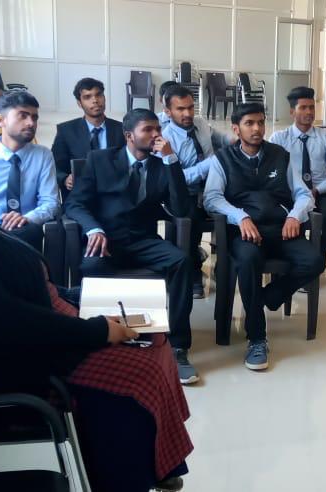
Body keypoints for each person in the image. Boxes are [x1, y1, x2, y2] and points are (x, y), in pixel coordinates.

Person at [0, 129, 192, 492]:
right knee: (139, 371)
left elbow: (27, 287)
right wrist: (97, 330)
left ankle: (158, 464)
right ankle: (127, 478)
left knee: (155, 338)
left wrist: (89, 297)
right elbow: (4, 321)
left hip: (34, 338)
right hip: (3, 371)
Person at [64, 109, 199, 385]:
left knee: (182, 261)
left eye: (157, 129)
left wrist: (171, 160)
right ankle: (99, 340)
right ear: (129, 135)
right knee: (91, 265)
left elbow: (181, 209)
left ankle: (178, 346)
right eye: (148, 130)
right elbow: (75, 203)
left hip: (143, 240)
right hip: (107, 239)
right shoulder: (100, 160)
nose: (156, 135)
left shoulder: (163, 165)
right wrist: (94, 229)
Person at [203, 103, 323, 370]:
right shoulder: (223, 159)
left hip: (281, 228)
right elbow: (212, 198)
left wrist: (295, 216)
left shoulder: (280, 155)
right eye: (249, 123)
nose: (257, 129)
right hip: (246, 233)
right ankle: (257, 338)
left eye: (260, 122)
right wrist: (240, 216)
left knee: (314, 261)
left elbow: (303, 194)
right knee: (248, 261)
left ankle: (270, 297)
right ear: (236, 129)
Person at [156, 84, 234, 298]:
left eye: (190, 107)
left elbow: (218, 138)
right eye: (180, 109)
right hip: (184, 193)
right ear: (168, 112)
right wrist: (212, 163)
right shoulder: (165, 139)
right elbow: (177, 178)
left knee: (241, 206)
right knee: (191, 217)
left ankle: (227, 264)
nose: (187, 114)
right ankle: (193, 272)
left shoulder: (200, 123)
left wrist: (233, 140)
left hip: (212, 187)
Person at [0, 91, 58, 251]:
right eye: (23, 116)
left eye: (34, 117)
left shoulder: (43, 155)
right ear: (0, 119)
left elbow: (50, 202)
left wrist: (27, 218)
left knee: (29, 233)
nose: (31, 123)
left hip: (21, 229)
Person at [270, 86, 326, 255]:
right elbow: (270, 170)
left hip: (318, 195)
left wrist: (318, 189)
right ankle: (298, 258)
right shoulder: (279, 138)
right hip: (289, 196)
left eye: (312, 107)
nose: (309, 112)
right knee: (278, 223)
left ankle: (315, 255)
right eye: (303, 108)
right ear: (292, 112)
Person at [51, 78, 126, 202]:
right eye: (87, 97)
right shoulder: (66, 131)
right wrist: (65, 179)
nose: (95, 100)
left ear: (104, 98)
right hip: (79, 197)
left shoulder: (121, 130)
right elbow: (53, 165)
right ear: (79, 103)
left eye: (99, 95)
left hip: (113, 196)